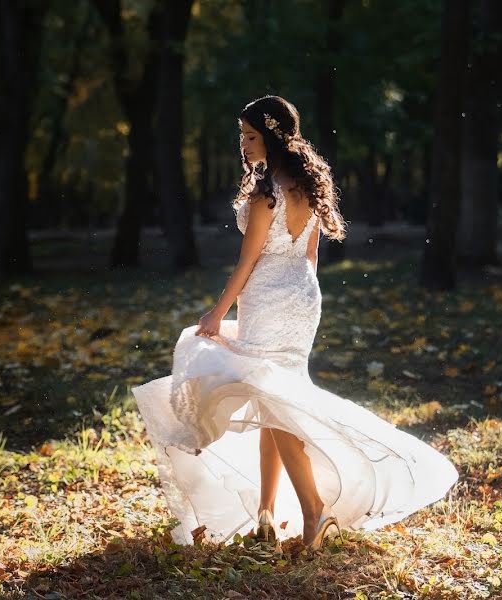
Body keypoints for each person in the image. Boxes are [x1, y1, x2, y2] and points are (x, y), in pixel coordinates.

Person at [132, 95, 459, 549]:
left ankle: (313, 510)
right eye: (242, 136)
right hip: (303, 296)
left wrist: (217, 312)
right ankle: (266, 513)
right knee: (275, 401)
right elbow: (310, 254)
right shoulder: (306, 184)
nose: (243, 145)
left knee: (274, 402)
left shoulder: (268, 193)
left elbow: (247, 263)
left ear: (271, 137)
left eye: (250, 136)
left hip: (267, 298)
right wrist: (301, 295)